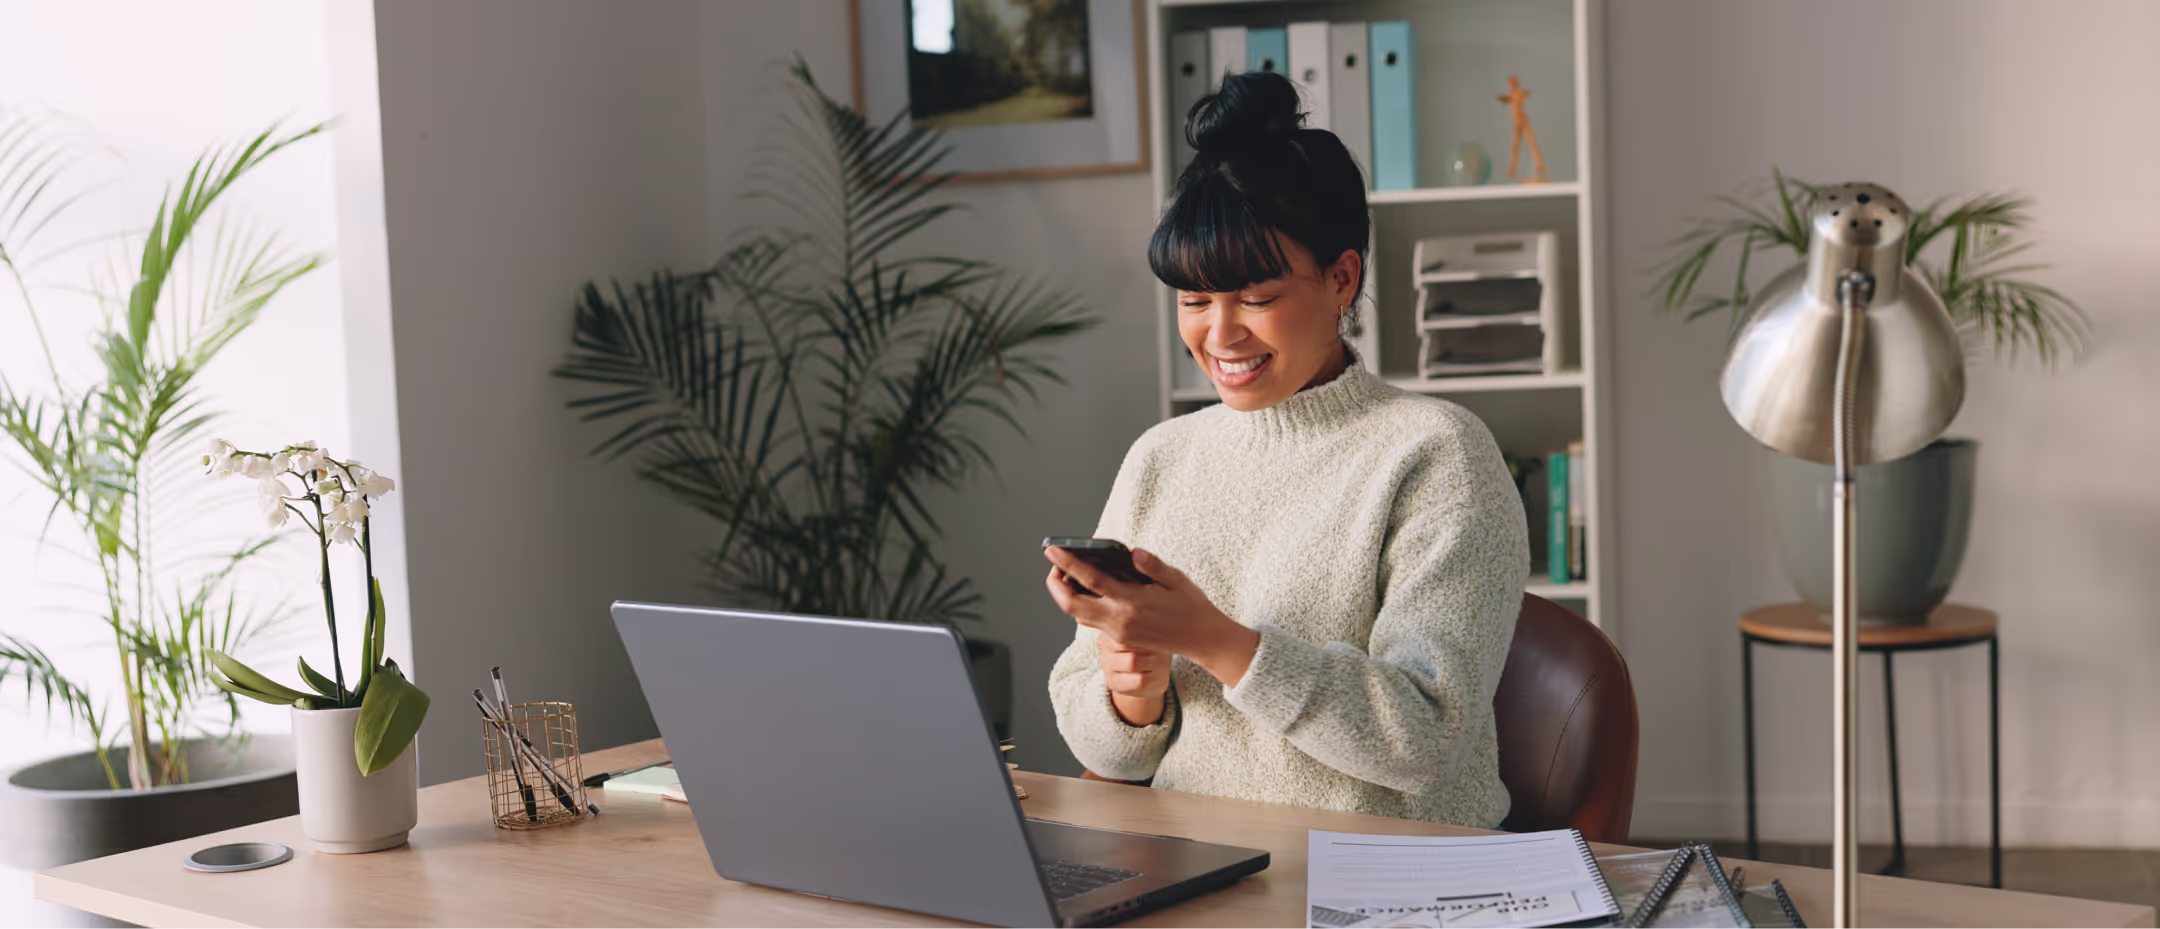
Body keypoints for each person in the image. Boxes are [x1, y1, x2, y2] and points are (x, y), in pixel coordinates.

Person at [1044, 71, 1529, 827]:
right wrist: (1131, 692)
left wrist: (1214, 640)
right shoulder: (1161, 457)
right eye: (1195, 301)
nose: (1220, 334)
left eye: (1257, 298)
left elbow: (1425, 738)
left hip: (1391, 876)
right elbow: (1108, 757)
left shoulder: (1437, 453)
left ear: (1342, 278)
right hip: (1197, 863)